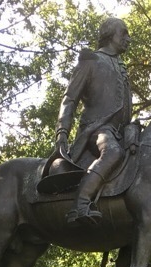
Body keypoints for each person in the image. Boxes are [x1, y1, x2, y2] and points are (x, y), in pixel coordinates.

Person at [56, 17, 133, 226]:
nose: (128, 38)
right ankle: (79, 206)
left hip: (121, 132)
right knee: (113, 152)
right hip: (97, 130)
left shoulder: (121, 68)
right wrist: (62, 131)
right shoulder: (91, 61)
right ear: (110, 34)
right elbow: (69, 99)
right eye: (123, 33)